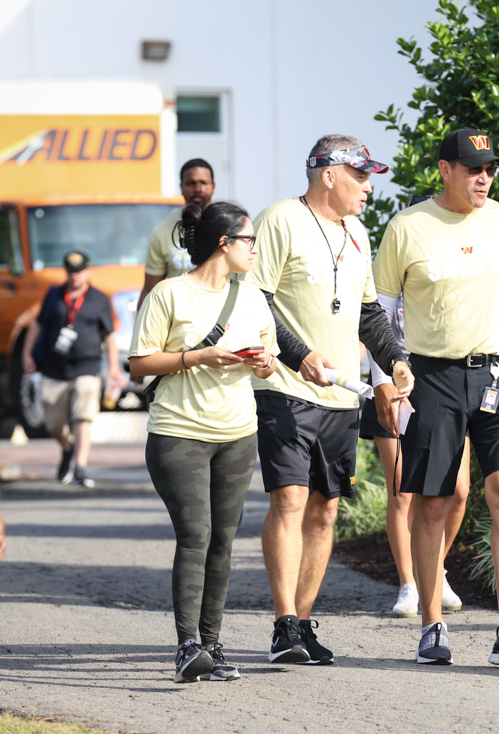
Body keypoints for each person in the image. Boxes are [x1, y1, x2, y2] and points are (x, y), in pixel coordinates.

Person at [372, 128, 499, 666]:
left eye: (491, 169)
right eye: (473, 167)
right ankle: (432, 627)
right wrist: (385, 378)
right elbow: (379, 314)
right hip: (431, 378)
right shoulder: (408, 227)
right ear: (444, 170)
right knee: (433, 503)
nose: (484, 177)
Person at [251, 135, 414, 666]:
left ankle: (301, 623)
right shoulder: (280, 220)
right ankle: (282, 626)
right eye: (361, 176)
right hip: (286, 388)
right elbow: (257, 301)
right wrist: (298, 356)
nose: (369, 187)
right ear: (328, 174)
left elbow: (369, 314)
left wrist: (395, 361)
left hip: (341, 398)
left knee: (324, 511)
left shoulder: (359, 233)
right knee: (291, 501)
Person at [129, 202, 278, 684]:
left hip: (238, 433)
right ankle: (187, 646)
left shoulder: (252, 297)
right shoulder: (170, 294)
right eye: (249, 241)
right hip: (178, 432)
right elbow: (140, 363)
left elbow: (270, 356)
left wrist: (262, 364)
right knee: (196, 535)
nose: (255, 249)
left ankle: (212, 647)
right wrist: (199, 356)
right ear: (224, 243)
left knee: (222, 541)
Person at [360, 294, 469, 618]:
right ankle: (409, 583)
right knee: (402, 493)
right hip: (394, 388)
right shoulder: (393, 267)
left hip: (444, 386)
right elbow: (374, 327)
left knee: (459, 491)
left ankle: (434, 572)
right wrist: (384, 385)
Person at [22, 251, 127, 488]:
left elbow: (109, 336)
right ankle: (67, 449)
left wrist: (113, 368)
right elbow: (37, 325)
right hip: (54, 367)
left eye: (79, 272)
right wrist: (26, 353)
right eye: (70, 272)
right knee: (53, 423)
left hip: (87, 365)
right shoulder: (54, 294)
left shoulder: (99, 298)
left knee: (83, 415)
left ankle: (81, 466)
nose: (74, 277)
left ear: (88, 272)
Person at [138, 158, 216, 309]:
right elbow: (150, 290)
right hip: (180, 318)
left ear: (213, 187)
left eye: (204, 183)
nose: (198, 188)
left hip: (222, 319)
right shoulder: (163, 230)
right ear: (181, 187)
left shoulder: (228, 225)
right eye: (191, 183)